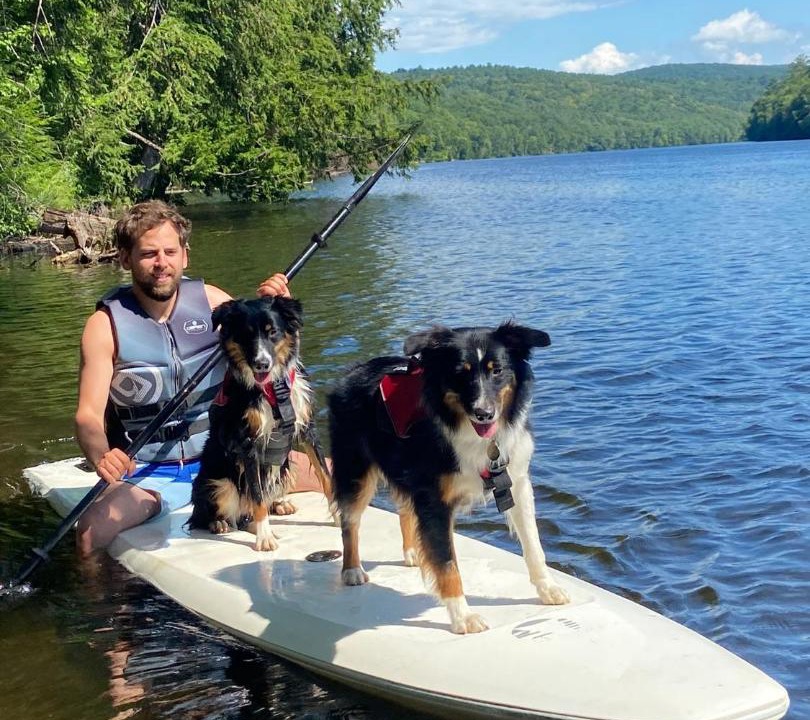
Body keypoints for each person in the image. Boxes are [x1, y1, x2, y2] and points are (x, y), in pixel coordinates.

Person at [74, 200, 322, 556]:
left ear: (185, 256)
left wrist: (279, 311)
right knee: (89, 530)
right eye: (148, 254)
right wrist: (102, 456)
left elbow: (274, 361)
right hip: (149, 475)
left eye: (170, 251)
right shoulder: (105, 325)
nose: (162, 263)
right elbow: (87, 416)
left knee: (338, 473)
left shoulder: (213, 301)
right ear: (125, 259)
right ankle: (107, 608)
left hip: (229, 458)